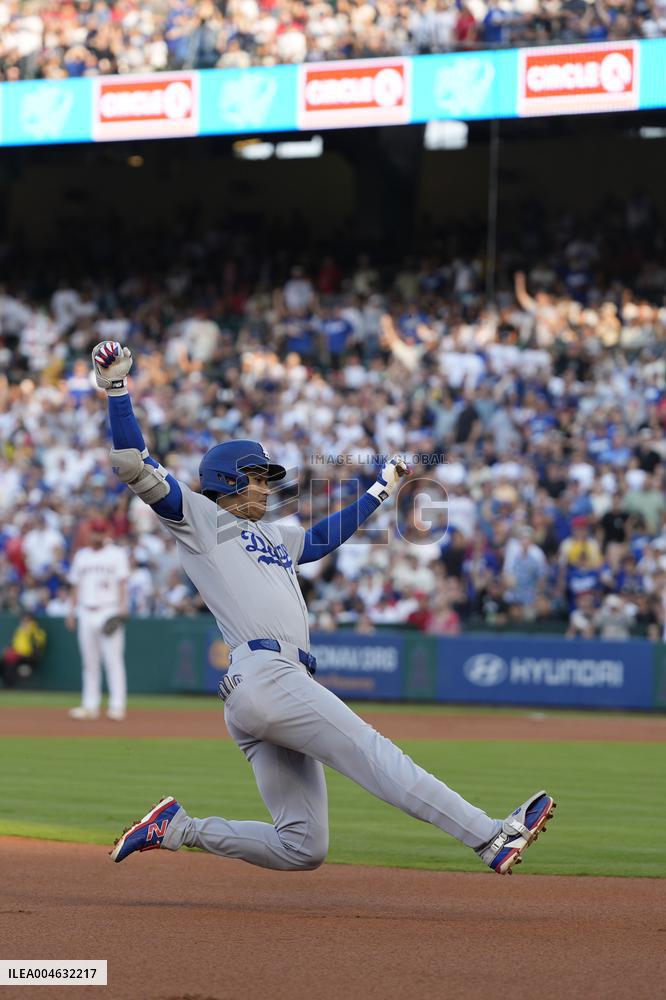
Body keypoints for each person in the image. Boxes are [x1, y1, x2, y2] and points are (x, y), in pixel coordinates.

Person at [94, 341, 555, 875]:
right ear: (227, 481)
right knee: (375, 754)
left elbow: (317, 541)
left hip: (261, 689)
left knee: (303, 846)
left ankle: (178, 828)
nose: (267, 486)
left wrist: (380, 492)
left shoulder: (266, 535)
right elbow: (133, 461)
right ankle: (491, 837)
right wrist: (117, 389)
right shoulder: (199, 518)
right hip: (265, 673)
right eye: (258, 476)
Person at [67, 516, 130, 721]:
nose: (98, 534)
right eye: (95, 531)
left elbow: (122, 583)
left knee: (113, 660)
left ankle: (117, 705)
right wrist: (71, 611)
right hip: (86, 611)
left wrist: (122, 607)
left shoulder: (116, 554)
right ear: (89, 532)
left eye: (101, 531)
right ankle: (90, 705)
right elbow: (75, 585)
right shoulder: (82, 556)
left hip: (108, 610)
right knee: (89, 662)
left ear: (106, 533)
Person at [0, 613, 46, 688]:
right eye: (23, 620)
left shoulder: (35, 630)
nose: (24, 622)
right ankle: (5, 685)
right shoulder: (19, 630)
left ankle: (10, 686)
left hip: (28, 657)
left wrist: (31, 631)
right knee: (3, 662)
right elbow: (14, 644)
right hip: (16, 655)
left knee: (12, 664)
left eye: (26, 620)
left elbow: (39, 644)